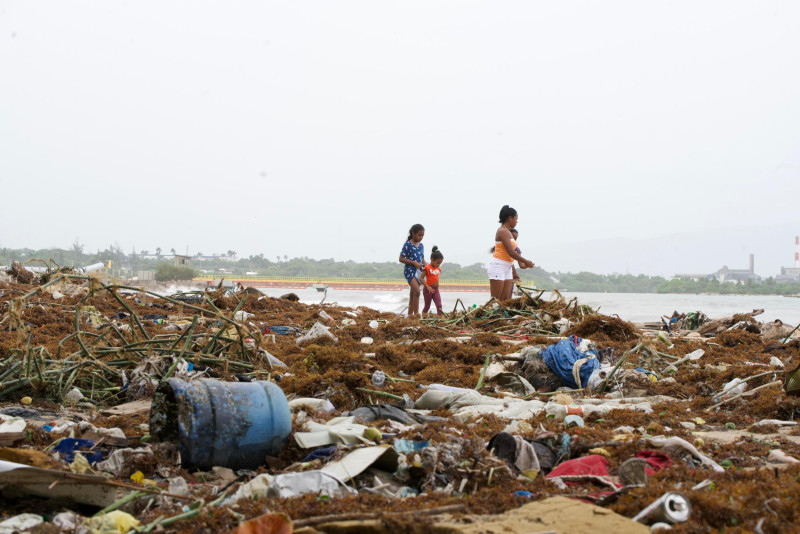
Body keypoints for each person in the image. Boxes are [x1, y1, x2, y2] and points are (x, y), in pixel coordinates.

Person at [489, 205, 533, 300]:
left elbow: (514, 252)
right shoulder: (502, 231)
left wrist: (525, 263)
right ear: (510, 218)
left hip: (508, 267)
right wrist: (525, 261)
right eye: (516, 219)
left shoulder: (509, 232)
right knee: (495, 301)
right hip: (498, 266)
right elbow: (511, 252)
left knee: (506, 300)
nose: (516, 221)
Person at [399, 224, 425, 316]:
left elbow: (422, 259)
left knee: (412, 294)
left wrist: (428, 268)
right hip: (410, 271)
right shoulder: (408, 244)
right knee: (417, 292)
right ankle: (416, 315)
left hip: (419, 272)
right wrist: (413, 263)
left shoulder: (421, 246)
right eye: (419, 235)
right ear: (413, 233)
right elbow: (401, 258)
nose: (421, 237)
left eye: (422, 236)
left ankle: (410, 315)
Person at [420, 246, 444, 316]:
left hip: (436, 290)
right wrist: (428, 287)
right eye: (438, 263)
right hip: (428, 290)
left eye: (440, 263)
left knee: (439, 305)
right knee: (427, 306)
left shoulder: (438, 268)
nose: (439, 265)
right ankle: (423, 318)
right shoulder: (427, 268)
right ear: (432, 259)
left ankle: (440, 319)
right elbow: (421, 278)